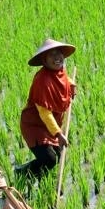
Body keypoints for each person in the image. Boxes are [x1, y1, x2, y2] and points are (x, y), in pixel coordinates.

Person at [15, 38, 76, 180]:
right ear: (44, 60)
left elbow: (63, 80)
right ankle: (22, 174)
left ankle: (38, 180)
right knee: (49, 159)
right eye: (51, 55)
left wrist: (71, 85)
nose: (57, 57)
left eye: (58, 53)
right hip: (35, 126)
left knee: (58, 155)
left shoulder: (60, 71)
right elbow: (45, 113)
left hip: (49, 125)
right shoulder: (42, 81)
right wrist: (59, 134)